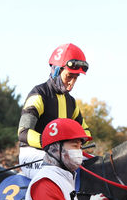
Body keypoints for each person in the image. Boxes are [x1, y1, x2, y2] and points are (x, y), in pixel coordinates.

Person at [17, 43, 91, 178]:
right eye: (69, 76)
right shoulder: (39, 94)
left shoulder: (72, 102)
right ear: (56, 71)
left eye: (76, 78)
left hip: (62, 154)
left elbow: (85, 132)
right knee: (58, 168)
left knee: (95, 165)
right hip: (32, 154)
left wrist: (76, 143)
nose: (72, 83)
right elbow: (23, 133)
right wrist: (53, 144)